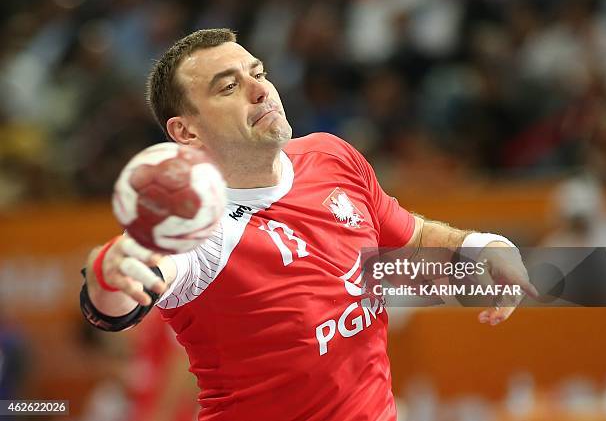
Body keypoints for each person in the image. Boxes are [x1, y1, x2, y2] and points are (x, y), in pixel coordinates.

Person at [80, 28, 538, 421]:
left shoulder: (330, 156)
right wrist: (111, 274)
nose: (260, 90)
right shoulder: (195, 228)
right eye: (227, 87)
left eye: (257, 74)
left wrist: (480, 245)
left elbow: (410, 238)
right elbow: (119, 300)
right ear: (186, 132)